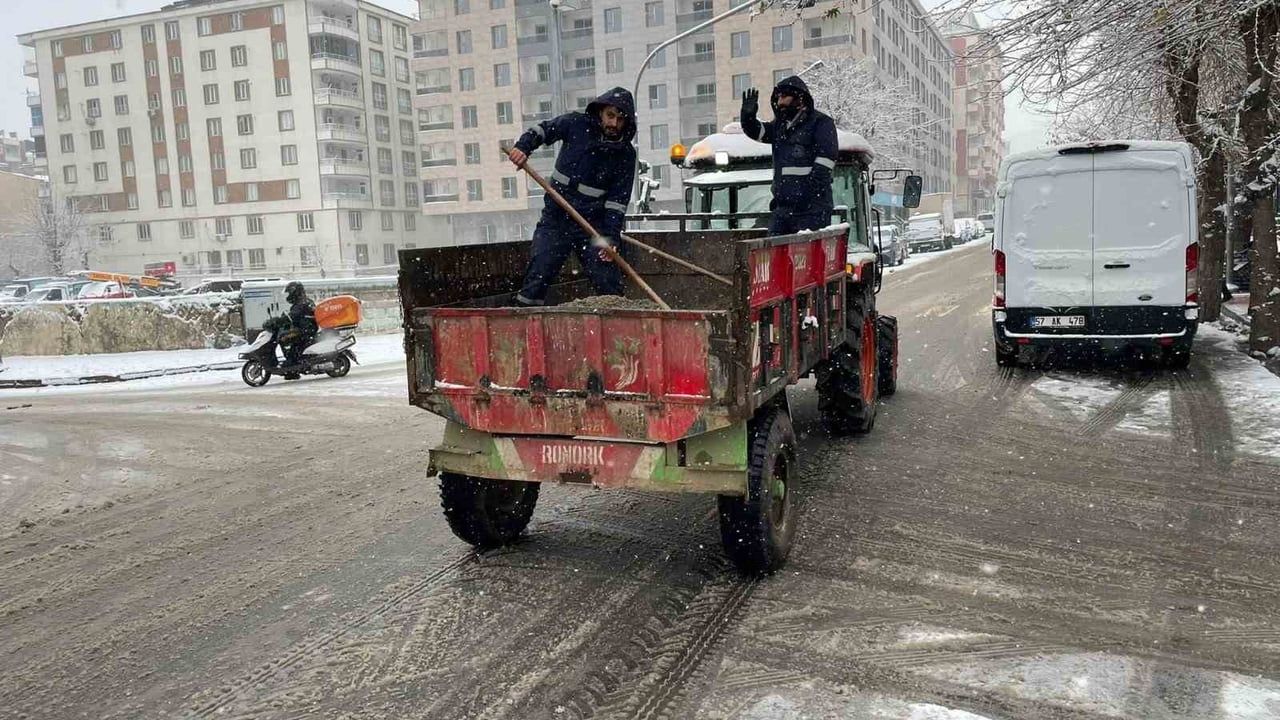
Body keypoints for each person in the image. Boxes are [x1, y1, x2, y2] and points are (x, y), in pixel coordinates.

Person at [507, 87, 637, 306]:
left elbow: (617, 202)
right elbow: (543, 131)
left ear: (627, 123)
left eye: (620, 119)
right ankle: (524, 317)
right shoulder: (576, 124)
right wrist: (523, 147)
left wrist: (610, 238)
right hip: (556, 217)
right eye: (610, 116)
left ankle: (620, 320)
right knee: (540, 270)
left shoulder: (625, 155)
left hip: (591, 225)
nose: (614, 123)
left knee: (607, 279)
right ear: (600, 112)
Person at [739, 76, 839, 235]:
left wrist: (807, 194)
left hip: (812, 211)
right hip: (783, 208)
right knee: (773, 252)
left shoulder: (821, 123)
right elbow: (759, 132)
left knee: (805, 256)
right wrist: (747, 117)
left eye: (784, 97)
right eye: (778, 97)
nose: (780, 102)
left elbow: (826, 160)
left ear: (799, 98)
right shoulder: (780, 127)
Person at [279, 281, 317, 377]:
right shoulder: (304, 301)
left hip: (306, 330)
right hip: (307, 329)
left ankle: (292, 365)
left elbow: (293, 316)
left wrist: (279, 321)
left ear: (294, 292)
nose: (288, 296)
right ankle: (294, 365)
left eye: (289, 293)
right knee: (289, 339)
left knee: (284, 338)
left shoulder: (301, 303)